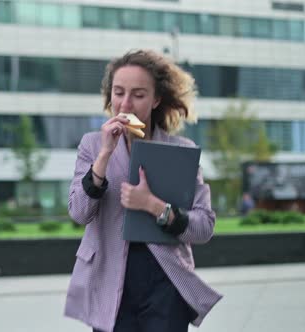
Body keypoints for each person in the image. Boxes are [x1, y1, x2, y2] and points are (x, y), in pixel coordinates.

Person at [65, 50, 222, 332]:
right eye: (118, 92)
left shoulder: (180, 151)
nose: (125, 104)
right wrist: (104, 157)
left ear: (156, 99)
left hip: (165, 284)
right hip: (109, 280)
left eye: (138, 94)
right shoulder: (92, 145)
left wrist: (153, 206)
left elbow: (204, 228)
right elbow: (79, 212)